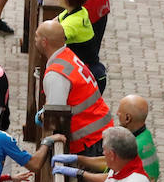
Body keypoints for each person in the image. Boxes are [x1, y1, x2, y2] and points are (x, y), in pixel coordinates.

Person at [33, 21, 112, 156]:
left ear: (44, 42)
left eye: (36, 36)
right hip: (100, 131)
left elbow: (55, 115)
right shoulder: (68, 55)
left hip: (89, 140)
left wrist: (40, 116)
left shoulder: (56, 74)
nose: (34, 39)